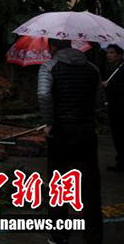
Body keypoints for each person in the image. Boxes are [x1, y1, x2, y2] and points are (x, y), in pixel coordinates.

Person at [37, 38, 103, 244]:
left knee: (58, 182)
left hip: (61, 132)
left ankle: (59, 235)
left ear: (53, 47)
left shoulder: (49, 67)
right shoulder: (92, 69)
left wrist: (49, 122)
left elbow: (43, 94)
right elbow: (100, 101)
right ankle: (93, 236)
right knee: (90, 184)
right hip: (86, 131)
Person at [103, 43, 124, 172]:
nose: (108, 55)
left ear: (119, 54)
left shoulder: (122, 68)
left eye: (112, 53)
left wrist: (109, 85)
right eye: (107, 53)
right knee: (117, 135)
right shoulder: (112, 68)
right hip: (113, 106)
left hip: (121, 107)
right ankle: (120, 160)